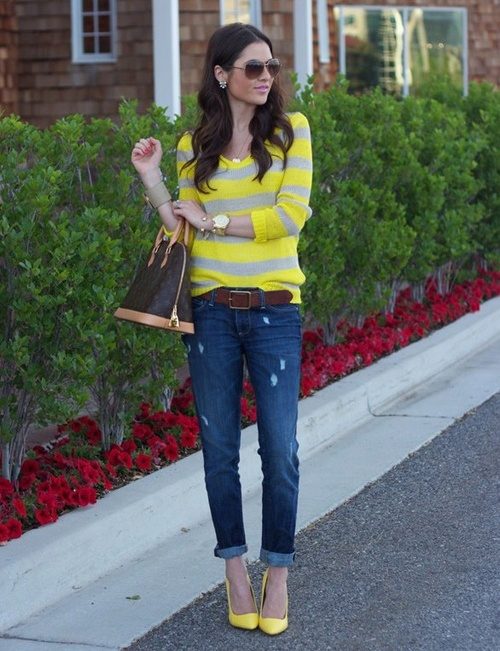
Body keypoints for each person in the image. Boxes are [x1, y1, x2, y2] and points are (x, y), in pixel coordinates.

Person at [131, 22, 312, 635]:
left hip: (274, 310)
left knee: (280, 451)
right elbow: (184, 225)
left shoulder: (291, 132)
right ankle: (235, 569)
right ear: (221, 73)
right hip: (210, 312)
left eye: (271, 67)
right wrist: (154, 179)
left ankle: (277, 573)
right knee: (218, 453)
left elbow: (289, 218)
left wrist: (214, 221)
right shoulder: (195, 144)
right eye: (252, 68)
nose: (265, 78)